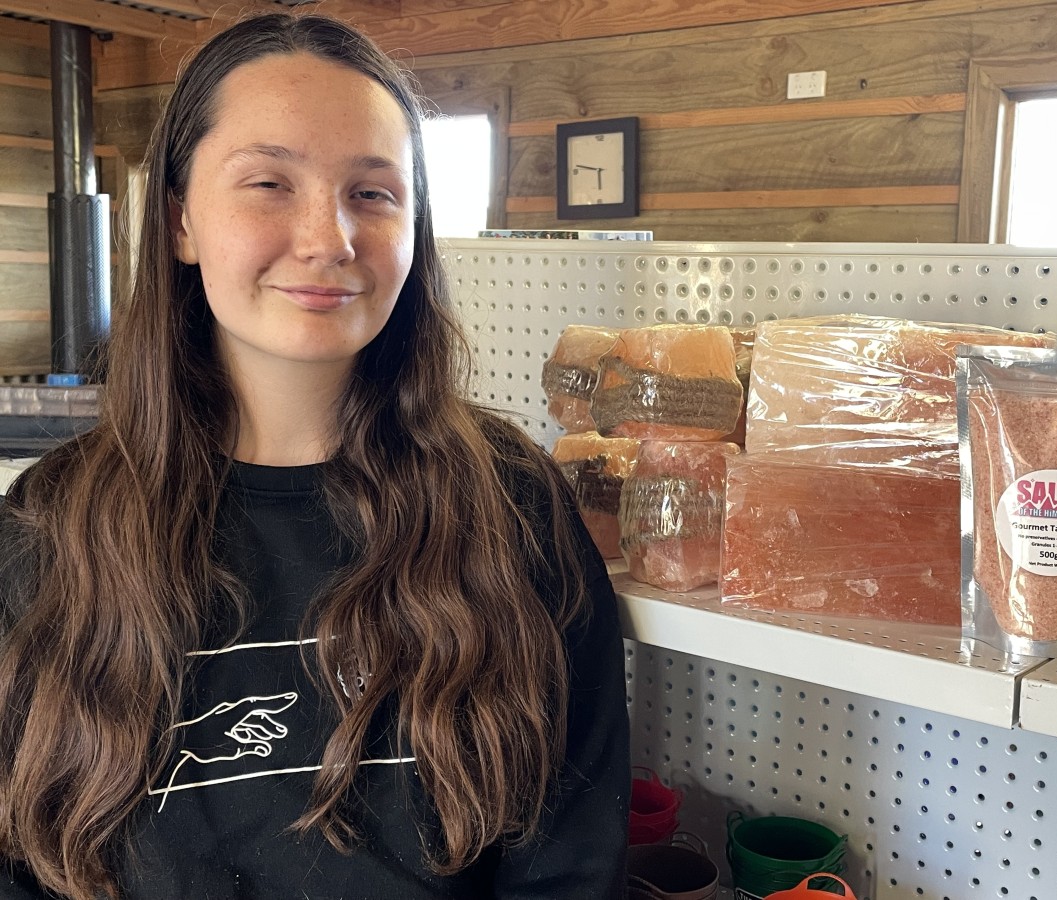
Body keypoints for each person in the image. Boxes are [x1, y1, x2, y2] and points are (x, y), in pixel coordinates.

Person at [0, 13, 629, 900]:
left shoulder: (513, 501)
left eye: (372, 193)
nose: (328, 238)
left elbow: (569, 867)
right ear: (180, 220)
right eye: (268, 183)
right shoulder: (44, 528)